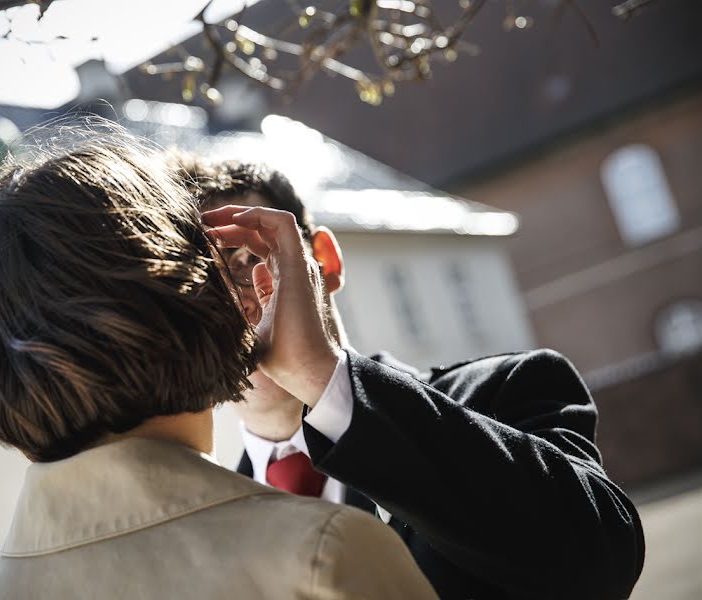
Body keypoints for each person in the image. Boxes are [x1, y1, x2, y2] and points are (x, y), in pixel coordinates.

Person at [0, 125, 438, 600]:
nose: (245, 298)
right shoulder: (325, 552)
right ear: (183, 297)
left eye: (255, 258)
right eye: (217, 269)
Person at [182, 157, 646, 600]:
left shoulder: (508, 390)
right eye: (200, 285)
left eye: (248, 260)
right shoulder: (203, 529)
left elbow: (599, 563)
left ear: (324, 260)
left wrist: (321, 378)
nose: (233, 306)